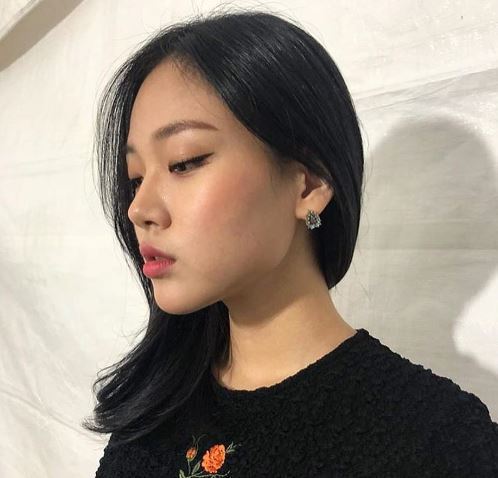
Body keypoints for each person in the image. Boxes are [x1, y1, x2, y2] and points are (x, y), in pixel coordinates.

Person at [83, 7, 498, 477]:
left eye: (184, 161)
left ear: (309, 183)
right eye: (135, 178)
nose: (139, 208)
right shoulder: (155, 405)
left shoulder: (438, 441)